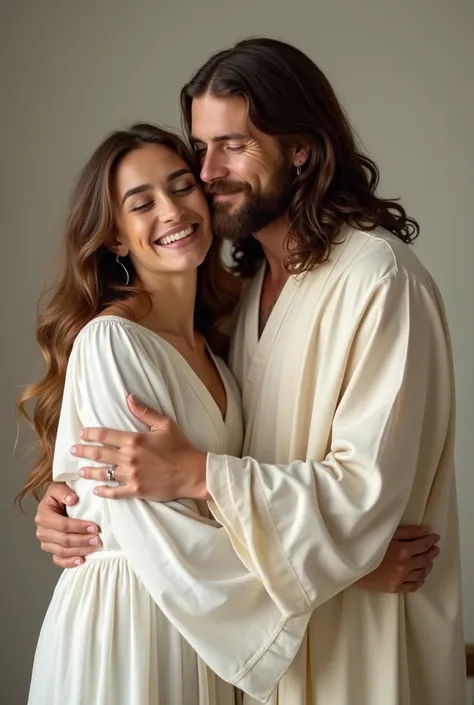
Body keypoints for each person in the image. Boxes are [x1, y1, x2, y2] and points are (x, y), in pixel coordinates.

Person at [30, 38, 465, 704]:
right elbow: (145, 503)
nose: (206, 175)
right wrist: (73, 498)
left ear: (300, 147)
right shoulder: (243, 306)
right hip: (207, 647)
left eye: (233, 145)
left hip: (353, 648)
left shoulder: (377, 280)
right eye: (200, 149)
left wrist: (199, 472)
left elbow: (364, 497)